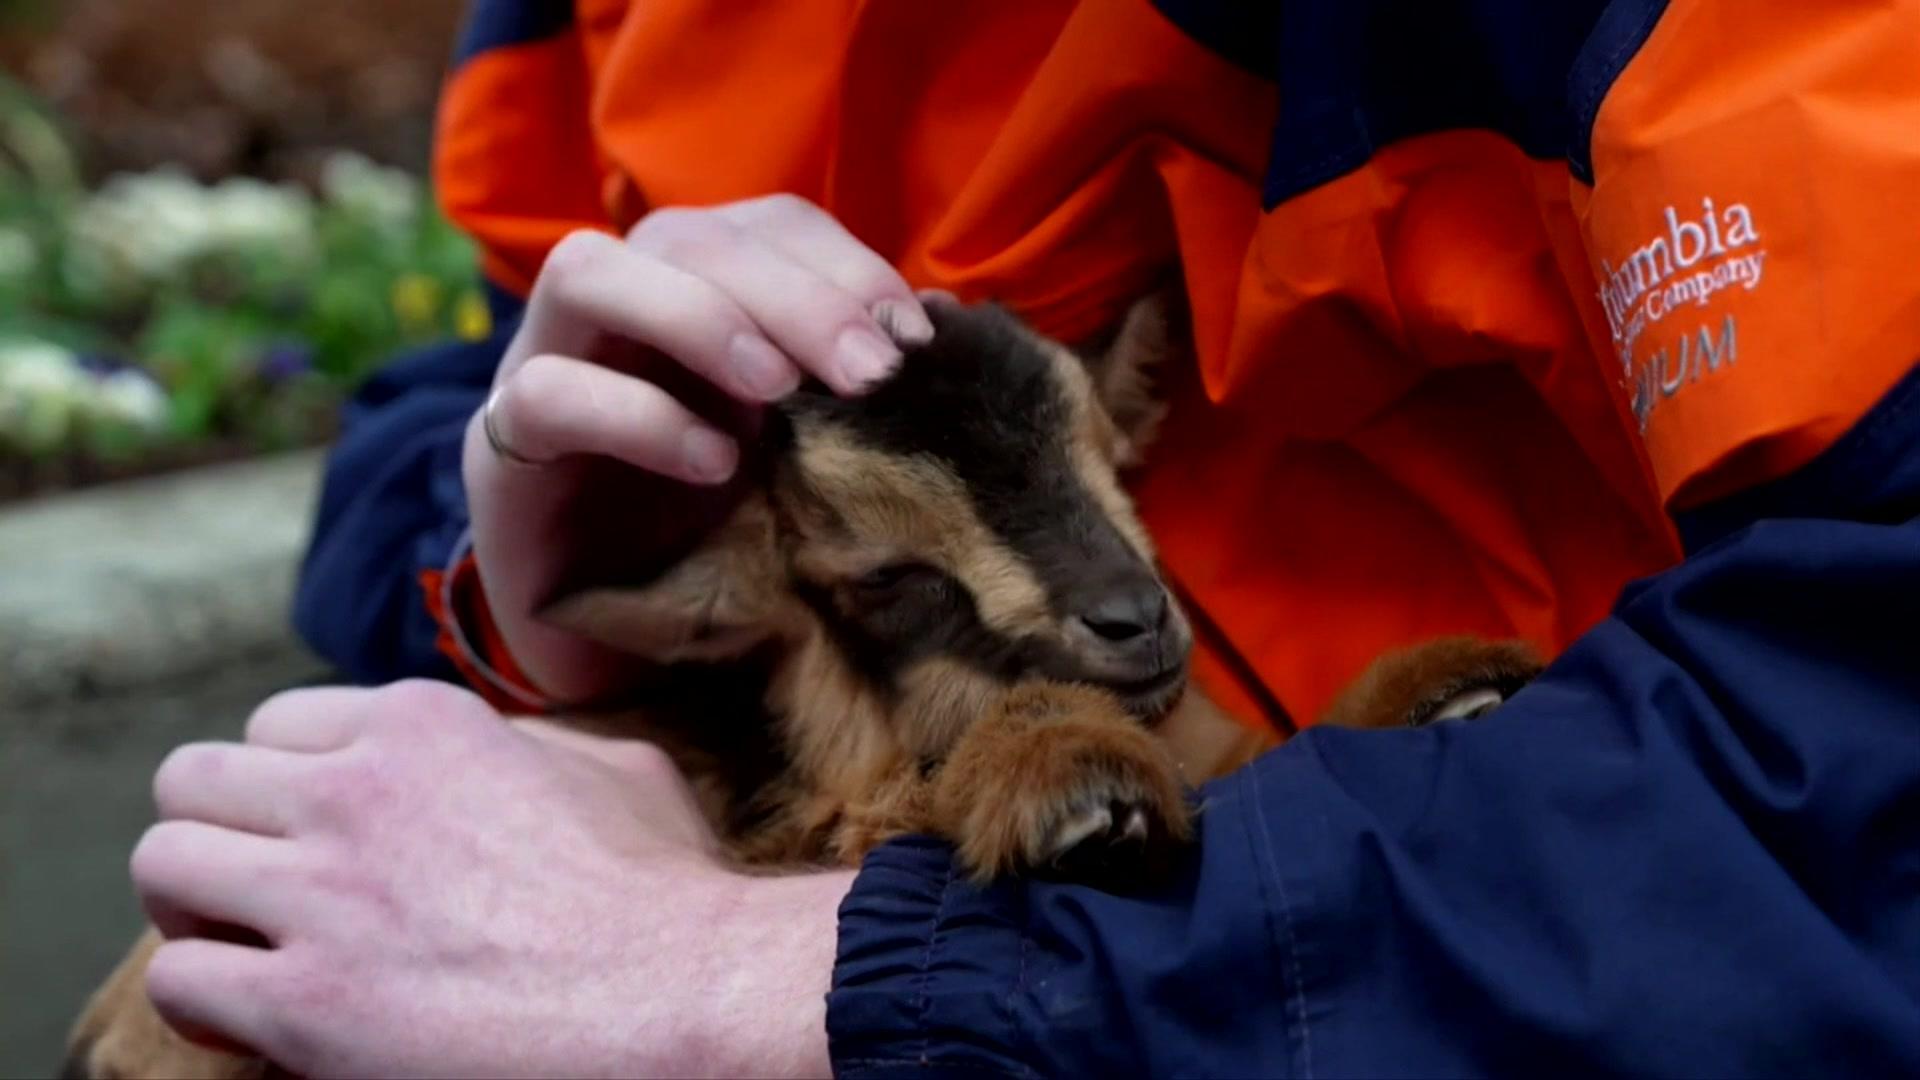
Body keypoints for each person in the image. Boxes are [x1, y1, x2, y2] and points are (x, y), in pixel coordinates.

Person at [128, 1, 1920, 1075]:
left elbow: (1866, 792)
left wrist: (778, 993)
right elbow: (465, 361)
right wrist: (507, 585)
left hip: (1431, 970)